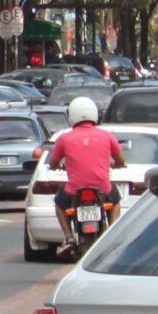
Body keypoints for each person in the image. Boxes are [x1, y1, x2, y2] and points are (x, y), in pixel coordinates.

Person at [49, 94, 125, 222]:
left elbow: (53, 163)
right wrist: (116, 164)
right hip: (103, 189)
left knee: (59, 204)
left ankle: (69, 237)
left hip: (73, 191)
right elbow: (121, 161)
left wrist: (56, 166)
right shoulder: (107, 136)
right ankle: (111, 234)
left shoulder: (64, 138)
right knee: (116, 201)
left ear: (72, 115)